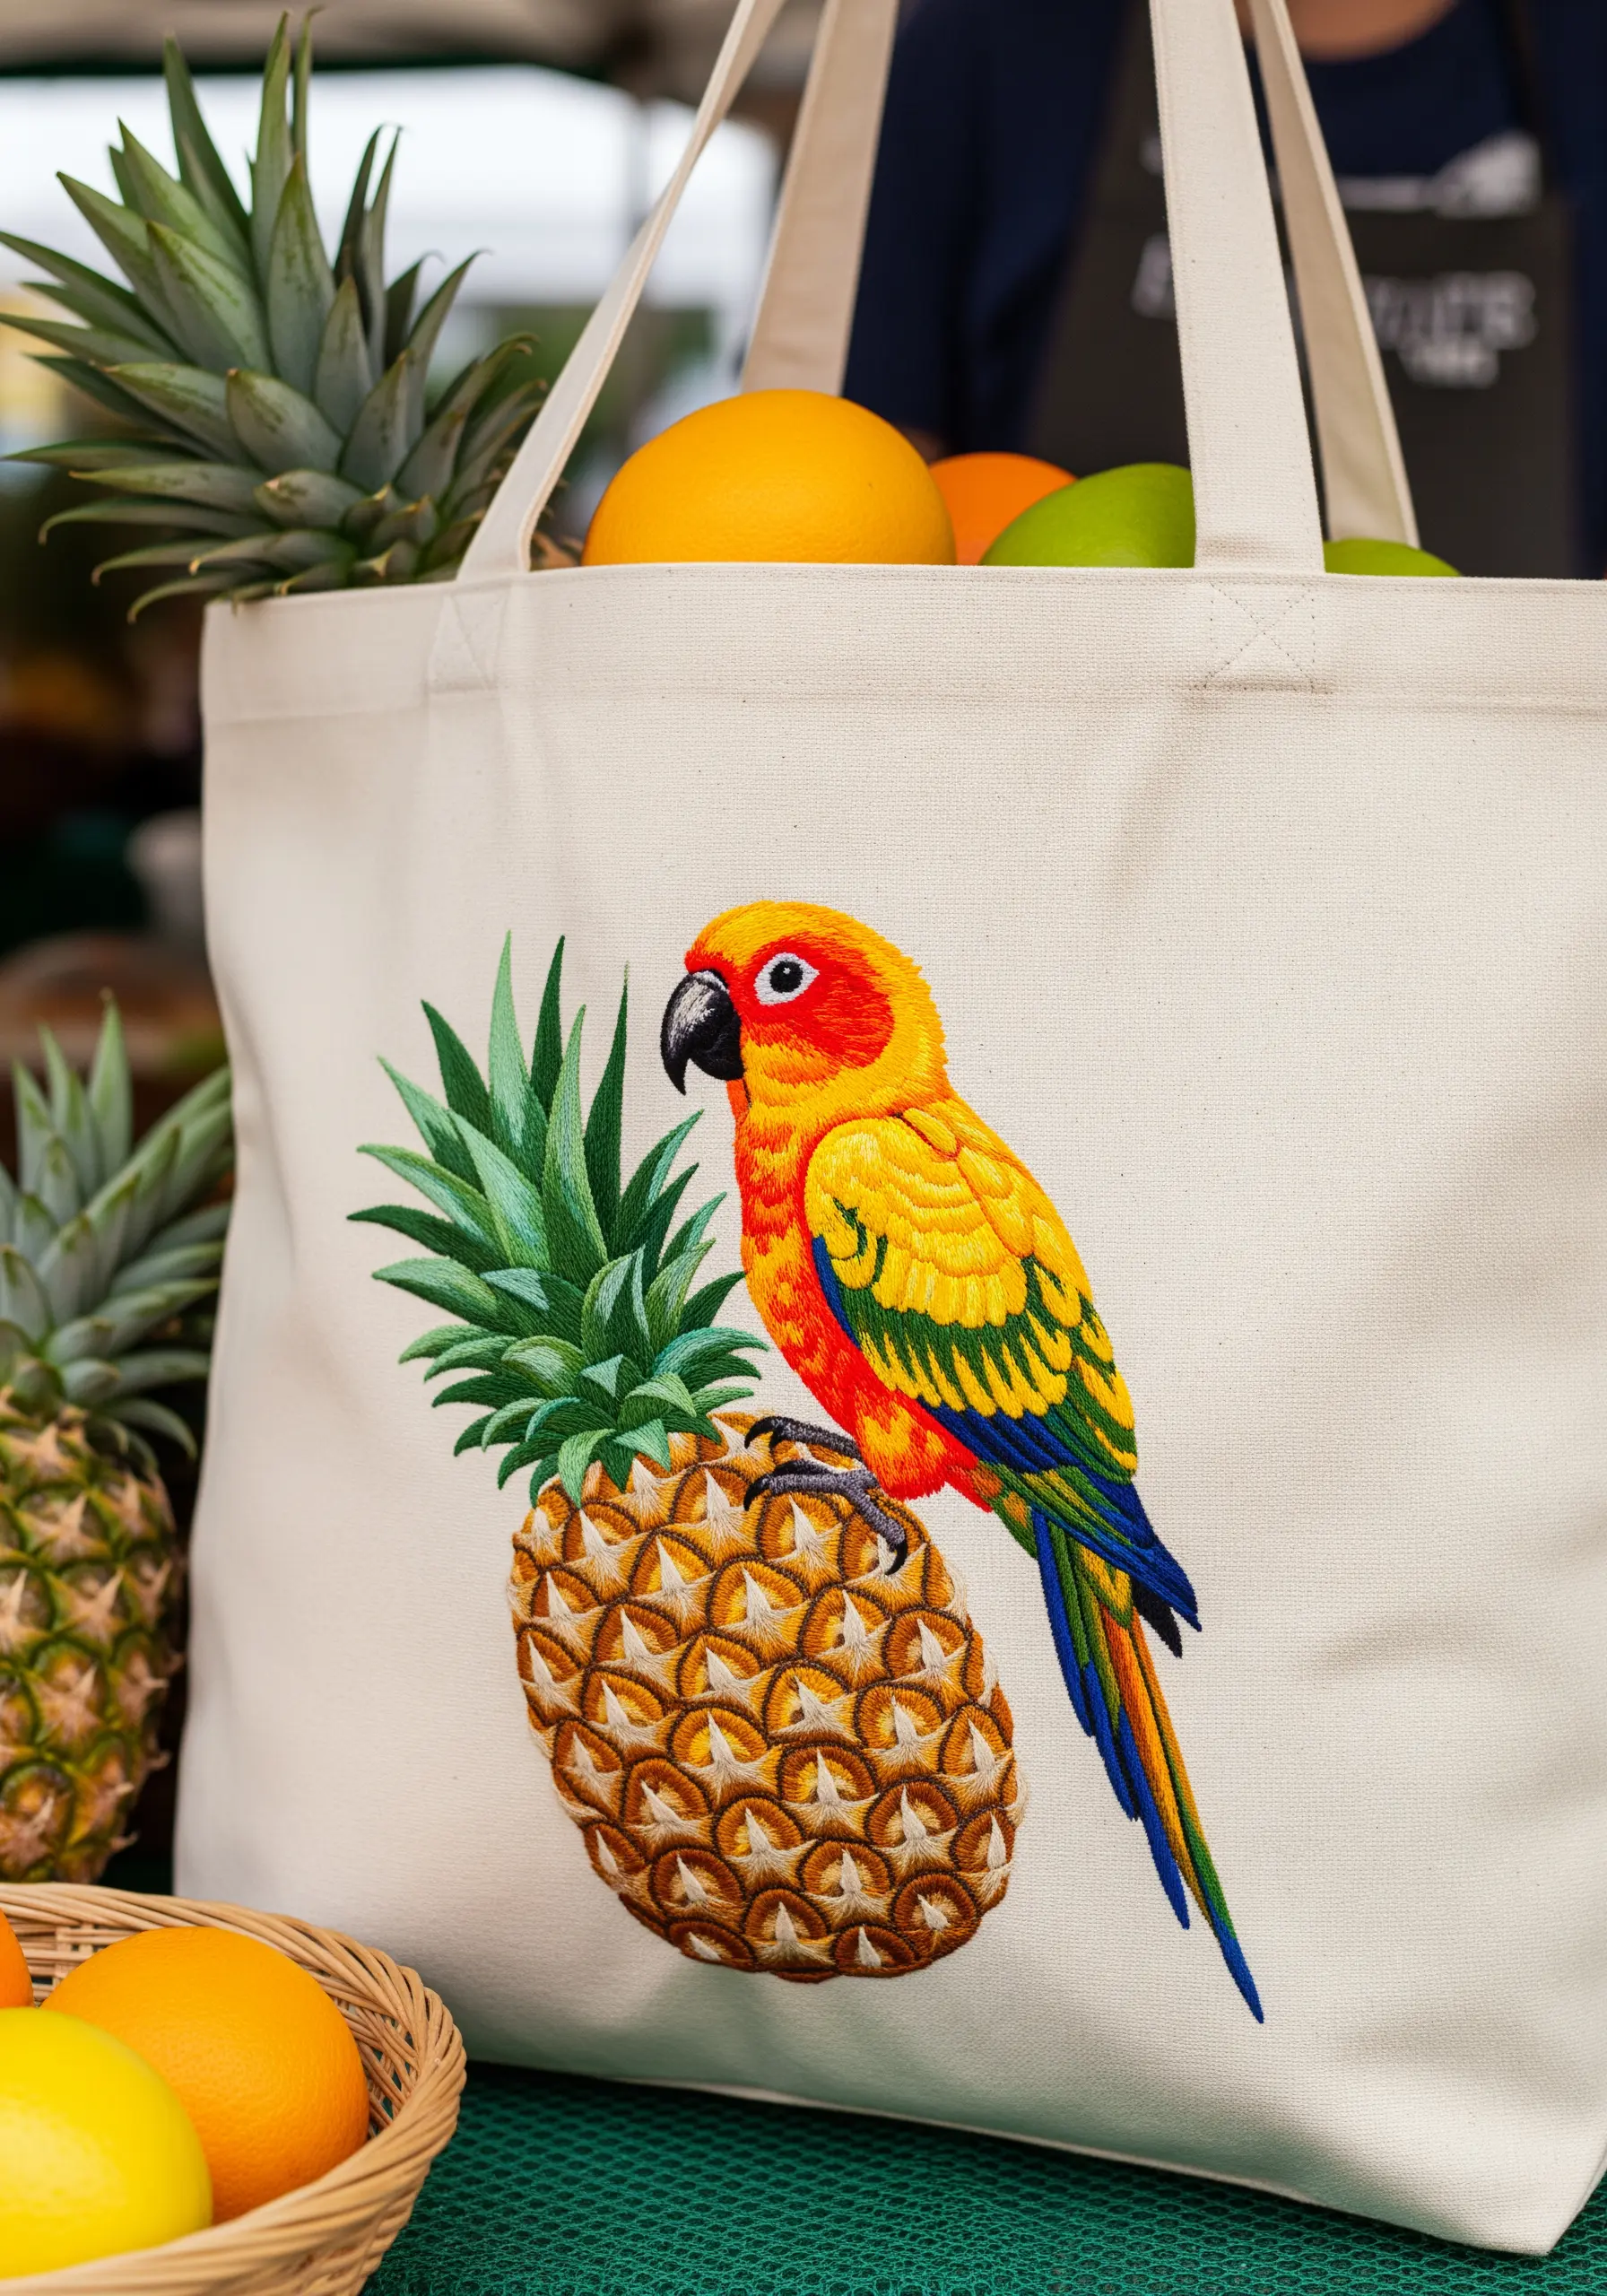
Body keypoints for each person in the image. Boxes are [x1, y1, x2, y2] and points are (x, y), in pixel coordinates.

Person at [845, 0, 1607, 575]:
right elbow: (857, 507)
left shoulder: (1582, 55)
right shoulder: (994, 45)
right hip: (1058, 764)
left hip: (1531, 766)